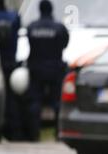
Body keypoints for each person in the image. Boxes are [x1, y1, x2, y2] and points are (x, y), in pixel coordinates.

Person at [27, 0, 69, 141]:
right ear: (51, 10)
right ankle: (58, 133)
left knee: (35, 102)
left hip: (36, 70)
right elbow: (65, 44)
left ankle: (34, 134)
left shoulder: (32, 27)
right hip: (55, 69)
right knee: (57, 102)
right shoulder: (59, 28)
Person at [0, 0, 22, 140]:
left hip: (0, 63)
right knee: (12, 99)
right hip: (11, 61)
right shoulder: (14, 16)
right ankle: (13, 132)